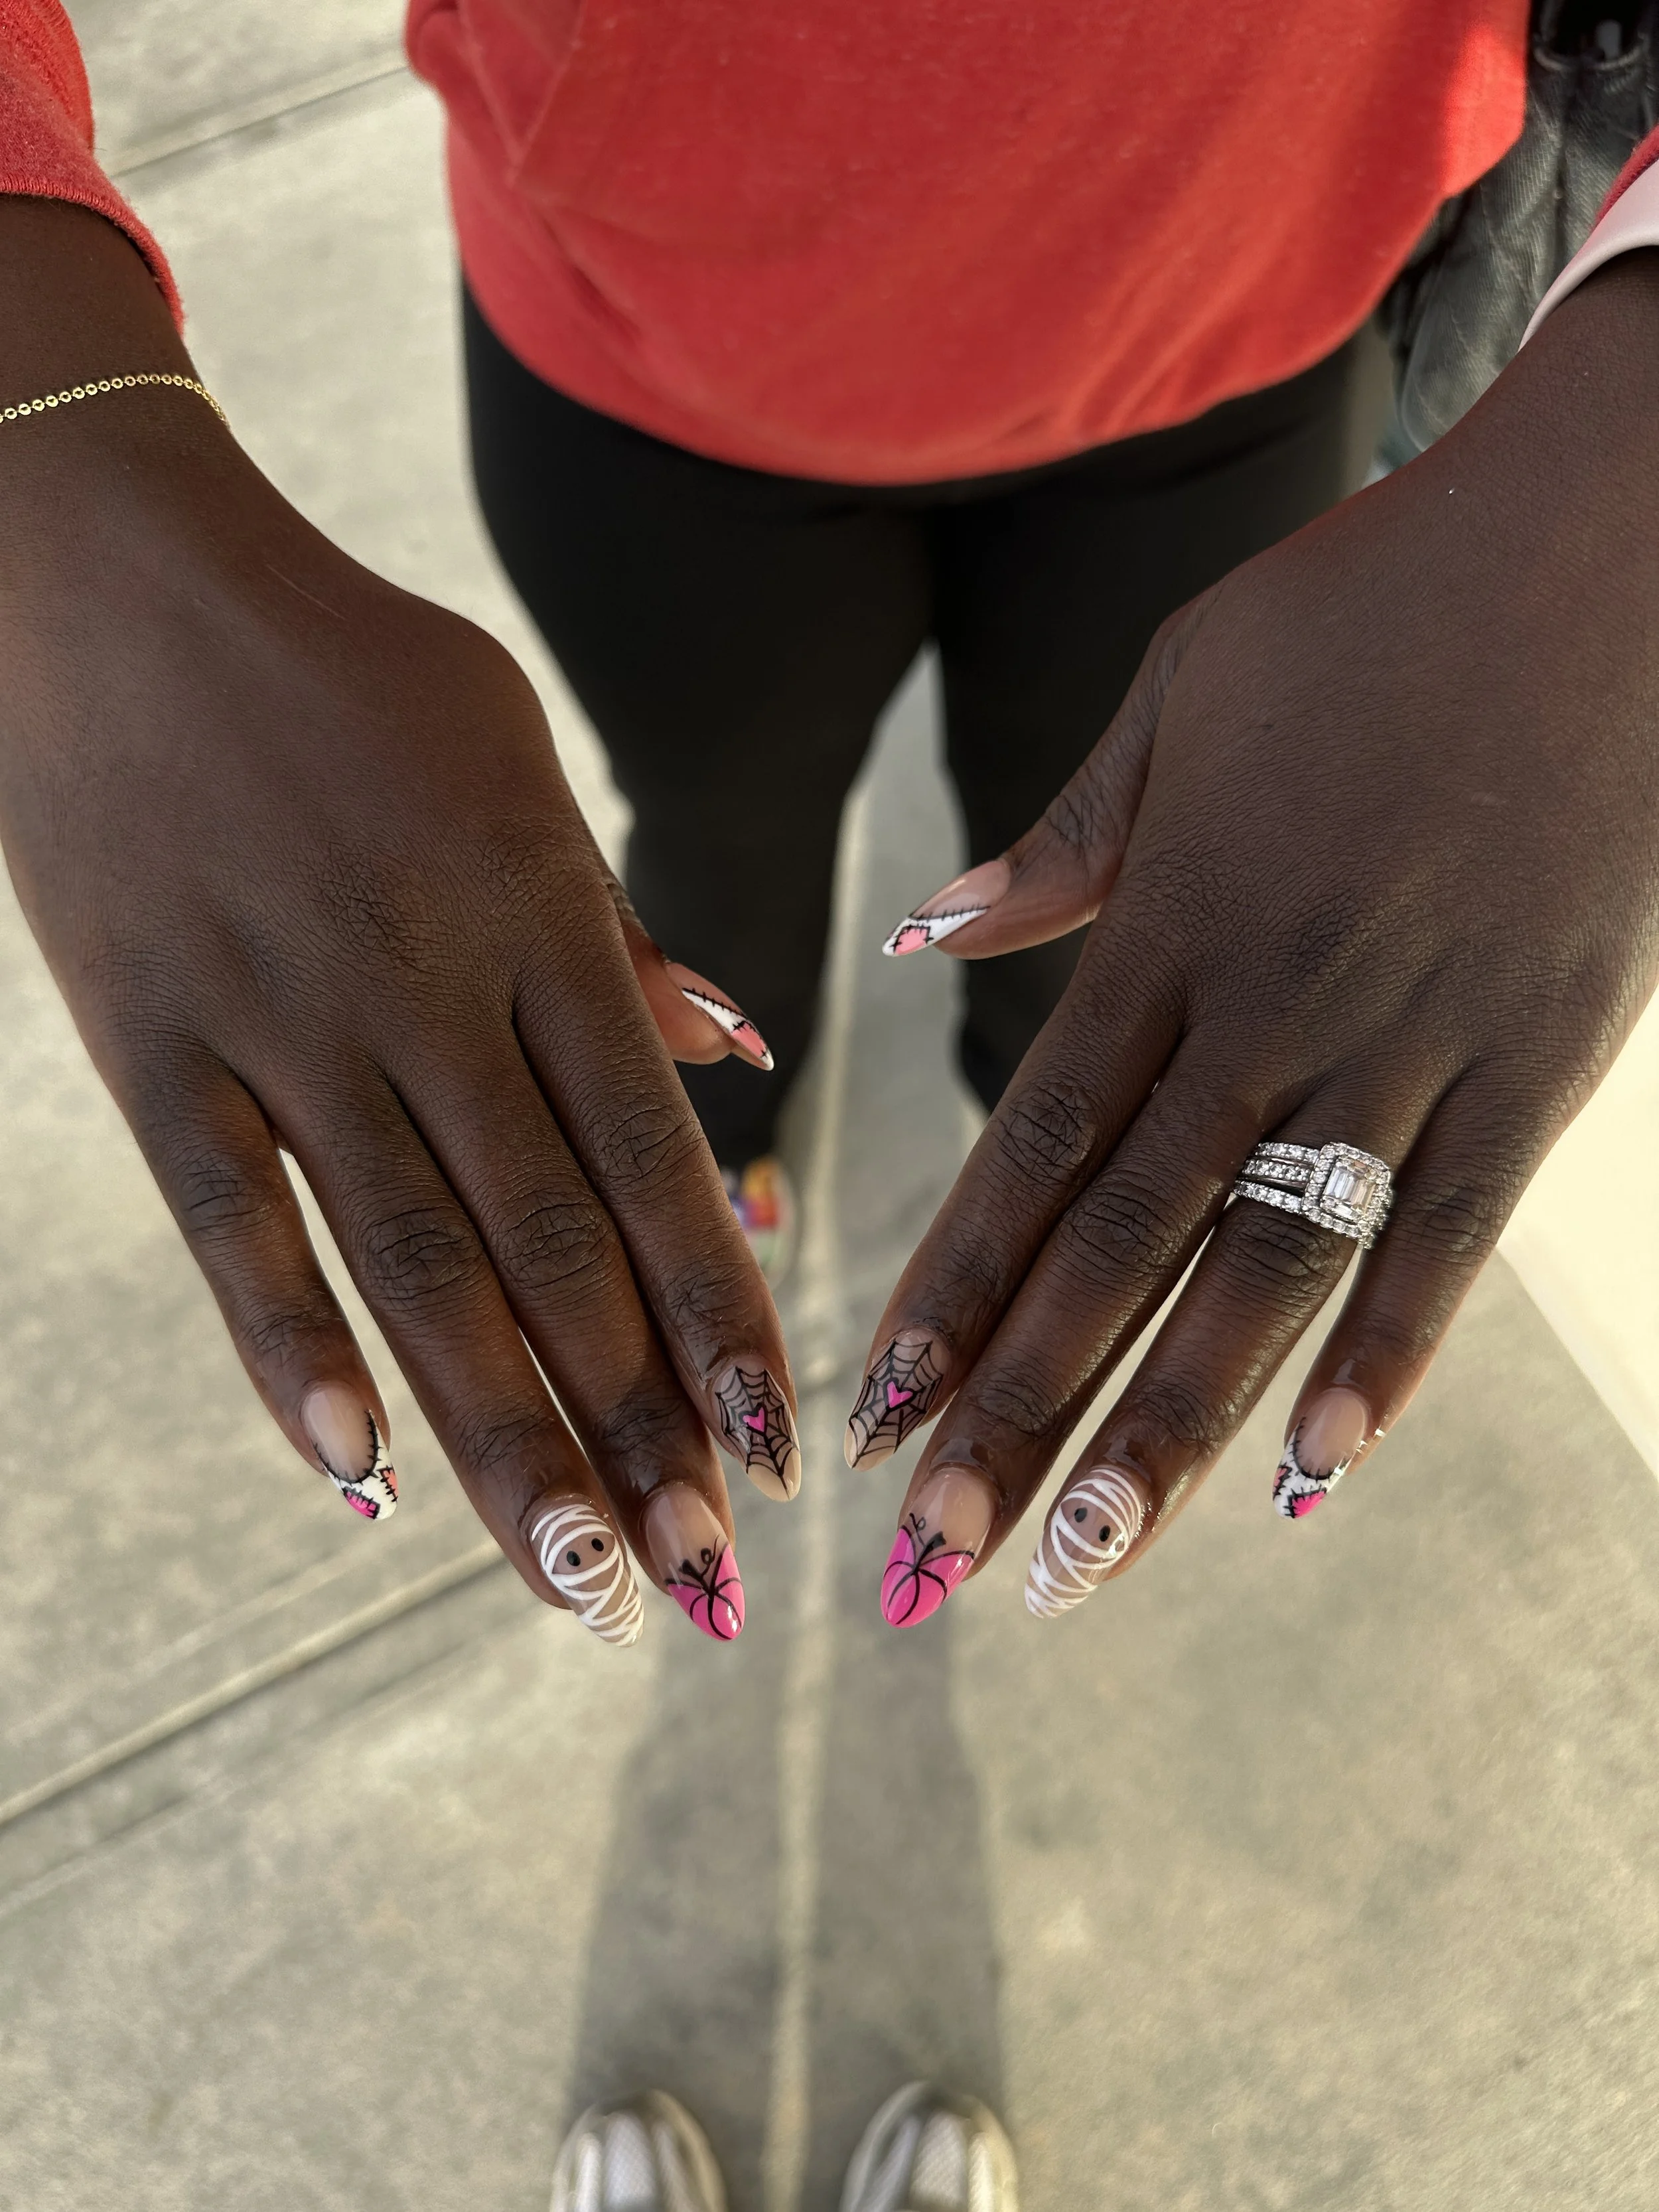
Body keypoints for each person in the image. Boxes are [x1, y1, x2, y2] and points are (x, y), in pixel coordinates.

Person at [1, 0, 1658, 1657]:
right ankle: (734, 1132)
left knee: (1097, 887)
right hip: (652, 343)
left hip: (1257, 298)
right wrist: (52, 427)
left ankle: (1017, 1099)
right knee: (711, 844)